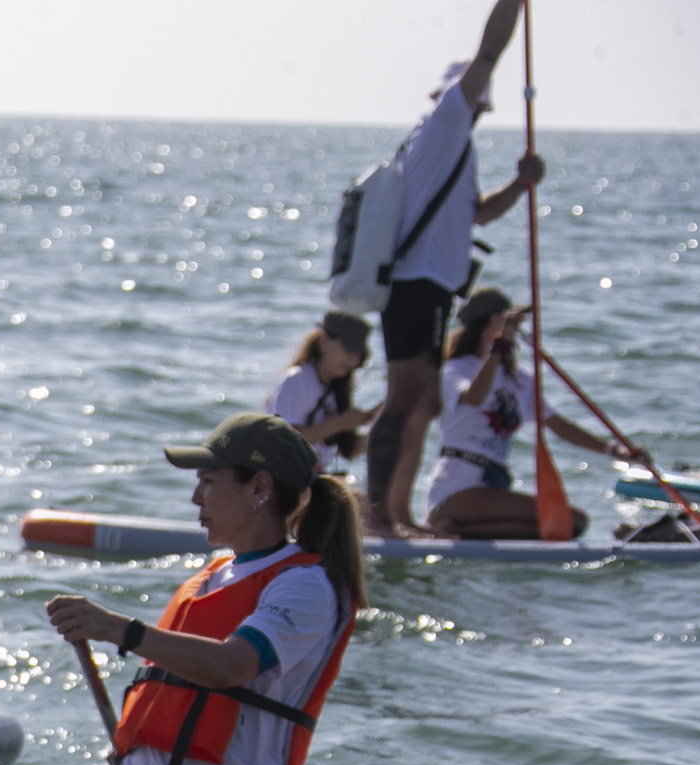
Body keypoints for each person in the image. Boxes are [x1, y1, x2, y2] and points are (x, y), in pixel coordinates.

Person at [0, 415, 366, 765]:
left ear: (259, 487)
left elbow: (232, 665)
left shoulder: (304, 585)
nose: (196, 499)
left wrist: (122, 630)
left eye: (209, 483)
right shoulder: (212, 576)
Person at [365, 0, 545, 537]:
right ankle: (377, 519)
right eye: (476, 94)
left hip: (435, 286)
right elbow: (488, 52)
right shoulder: (444, 123)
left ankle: (398, 515)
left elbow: (476, 216)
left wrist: (520, 184)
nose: (481, 103)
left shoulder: (456, 148)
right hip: (414, 282)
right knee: (403, 399)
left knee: (422, 401)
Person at [423, 290, 644, 539]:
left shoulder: (520, 381)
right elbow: (474, 398)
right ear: (490, 322)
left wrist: (616, 452)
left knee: (570, 525)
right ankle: (447, 525)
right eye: (511, 322)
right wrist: (498, 348)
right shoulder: (455, 369)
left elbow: (560, 426)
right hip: (456, 487)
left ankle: (457, 530)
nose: (517, 328)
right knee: (569, 523)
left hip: (493, 483)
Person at [266, 311, 375, 475]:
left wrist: (380, 421)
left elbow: (349, 449)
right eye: (347, 349)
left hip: (313, 476)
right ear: (324, 341)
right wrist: (341, 423)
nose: (353, 359)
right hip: (285, 478)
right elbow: (286, 440)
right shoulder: (297, 380)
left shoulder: (334, 389)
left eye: (358, 354)